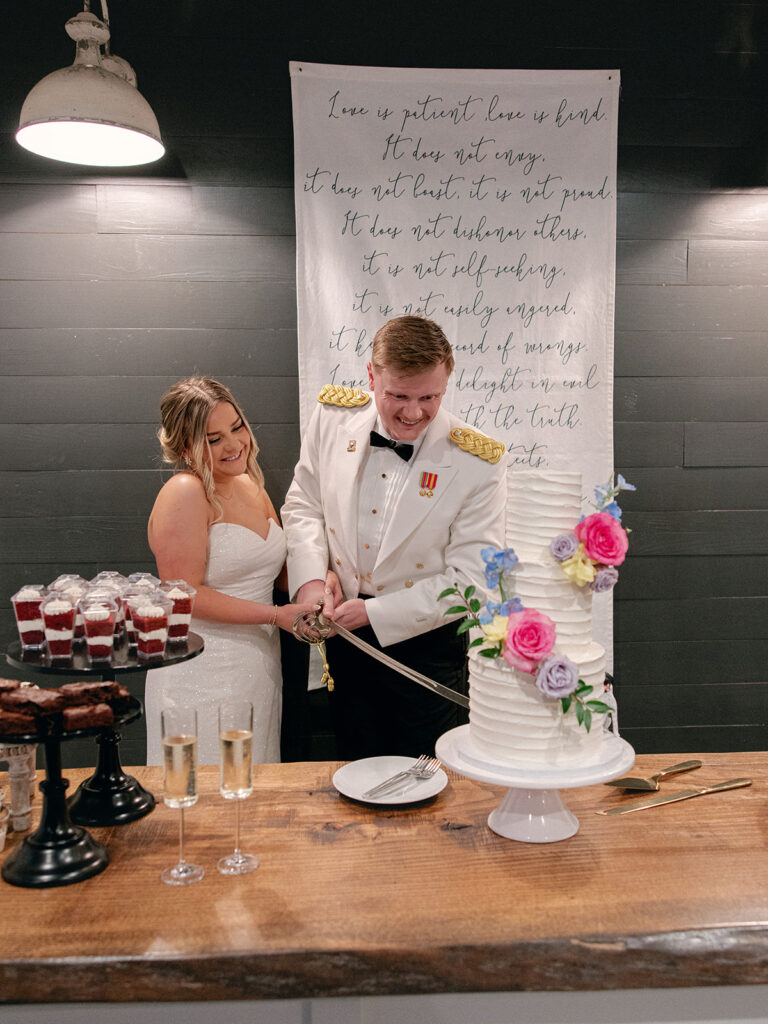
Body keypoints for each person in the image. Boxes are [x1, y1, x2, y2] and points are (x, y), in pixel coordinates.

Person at [281, 315, 507, 760]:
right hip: (344, 637)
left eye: (430, 397)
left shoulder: (478, 461)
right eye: (397, 396)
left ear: (447, 381)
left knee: (430, 774)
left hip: (427, 646)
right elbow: (304, 504)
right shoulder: (331, 418)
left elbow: (472, 583)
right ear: (370, 376)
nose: (413, 412)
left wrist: (375, 613)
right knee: (356, 766)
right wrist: (311, 582)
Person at [145, 376, 315, 765]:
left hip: (257, 667)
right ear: (186, 446)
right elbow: (182, 594)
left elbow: (280, 573)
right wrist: (275, 615)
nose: (234, 444)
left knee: (253, 790)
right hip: (200, 671)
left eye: (236, 427)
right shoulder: (185, 492)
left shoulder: (249, 483)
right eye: (214, 438)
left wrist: (327, 577)